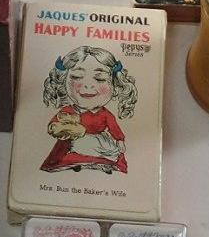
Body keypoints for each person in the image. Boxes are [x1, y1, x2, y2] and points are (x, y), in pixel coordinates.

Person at [39, 47, 136, 176]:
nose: (88, 85)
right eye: (77, 77)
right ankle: (75, 163)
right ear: (63, 82)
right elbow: (55, 125)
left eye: (100, 79)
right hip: (73, 142)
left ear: (115, 85)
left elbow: (114, 128)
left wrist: (120, 140)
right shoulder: (68, 111)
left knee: (107, 153)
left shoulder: (105, 114)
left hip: (99, 142)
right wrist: (60, 129)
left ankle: (102, 164)